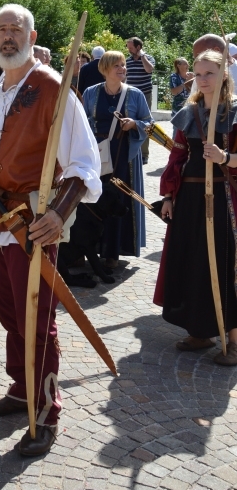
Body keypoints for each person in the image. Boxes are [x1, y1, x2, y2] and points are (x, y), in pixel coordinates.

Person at [0, 4, 101, 456]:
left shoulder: (54, 89)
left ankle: (47, 410)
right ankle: (20, 389)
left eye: (17, 29)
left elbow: (85, 165)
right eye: (1, 28)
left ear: (32, 37)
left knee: (37, 320)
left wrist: (59, 214)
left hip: (33, 225)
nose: (8, 36)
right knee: (10, 314)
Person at [156, 50, 237, 365]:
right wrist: (167, 197)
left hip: (225, 199)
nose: (202, 80)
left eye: (210, 74)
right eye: (198, 74)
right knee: (193, 261)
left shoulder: (234, 112)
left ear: (224, 75)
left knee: (225, 263)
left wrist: (225, 158)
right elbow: (177, 157)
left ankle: (234, 340)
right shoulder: (189, 112)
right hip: (189, 200)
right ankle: (200, 330)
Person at [81, 51, 152, 268]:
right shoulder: (91, 93)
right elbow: (83, 123)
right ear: (105, 69)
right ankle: (90, 249)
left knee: (119, 200)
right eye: (117, 66)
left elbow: (149, 124)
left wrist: (134, 124)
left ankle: (113, 251)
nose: (122, 69)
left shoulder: (135, 94)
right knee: (94, 198)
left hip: (124, 155)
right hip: (98, 154)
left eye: (123, 65)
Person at [125, 37, 155, 162]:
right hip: (130, 96)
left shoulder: (149, 58)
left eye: (131, 47)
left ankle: (144, 154)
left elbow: (149, 69)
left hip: (145, 95)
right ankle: (132, 152)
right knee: (131, 122)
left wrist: (142, 56)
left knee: (145, 123)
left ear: (138, 47)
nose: (128, 49)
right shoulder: (127, 61)